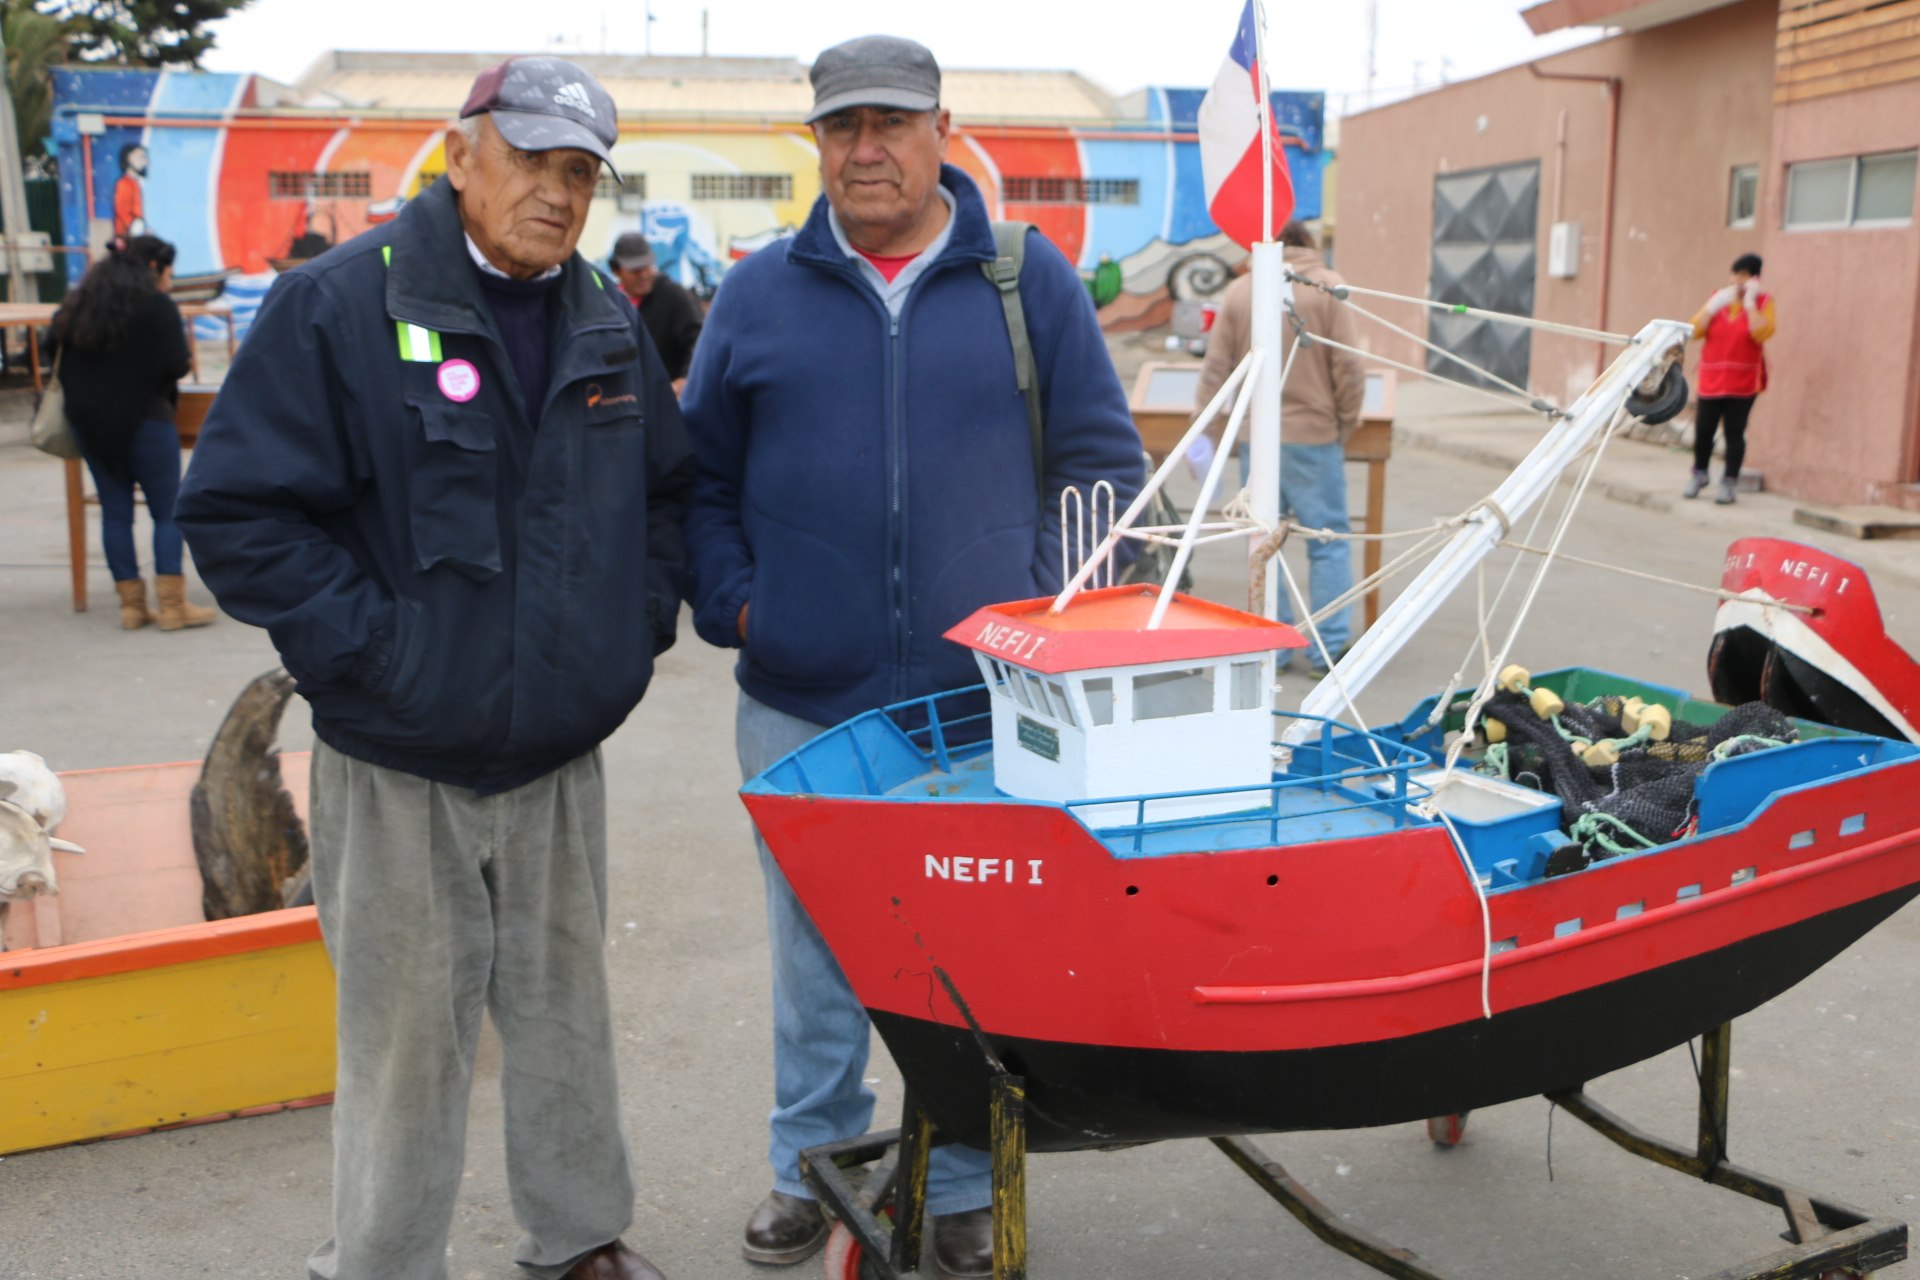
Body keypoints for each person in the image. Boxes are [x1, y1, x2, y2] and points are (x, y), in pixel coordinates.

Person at [176, 56, 692, 1280]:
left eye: (579, 173)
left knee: (566, 1013)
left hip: (557, 756)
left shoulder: (605, 318)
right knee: (407, 1039)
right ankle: (383, 1260)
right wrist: (376, 657)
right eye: (531, 161)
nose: (558, 195)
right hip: (400, 755)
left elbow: (667, 493)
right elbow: (240, 512)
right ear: (459, 156)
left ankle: (577, 1240)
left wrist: (630, 634)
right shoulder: (342, 304)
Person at [681, 34, 1143, 1280]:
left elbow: (1100, 459)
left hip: (980, 709)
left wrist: (1045, 618)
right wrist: (739, 605)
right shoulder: (758, 292)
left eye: (890, 122)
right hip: (801, 699)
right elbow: (699, 479)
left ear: (944, 127)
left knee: (968, 963)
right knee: (815, 959)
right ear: (817, 143)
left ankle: (946, 1180)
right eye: (842, 127)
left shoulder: (1024, 279)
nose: (866, 148)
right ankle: (807, 1169)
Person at [1194, 219, 1364, 673]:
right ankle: (1328, 645)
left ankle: (1276, 642)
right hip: (1315, 433)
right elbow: (1348, 366)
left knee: (1264, 538)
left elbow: (1216, 370)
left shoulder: (1241, 291)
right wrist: (1344, 422)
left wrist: (1206, 432)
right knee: (1327, 539)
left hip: (1257, 436)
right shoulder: (1328, 287)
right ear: (1309, 244)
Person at [52, 233, 215, 630]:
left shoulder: (79, 304)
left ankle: (131, 607)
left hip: (90, 424)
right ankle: (173, 607)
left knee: (115, 512)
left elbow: (51, 346)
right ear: (155, 267)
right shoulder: (156, 306)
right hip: (146, 420)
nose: (170, 281)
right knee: (166, 512)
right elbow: (177, 365)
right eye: (170, 272)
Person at [1687, 251, 1775, 505]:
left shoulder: (1764, 303)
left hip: (1744, 380)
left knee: (1734, 433)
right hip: (1711, 377)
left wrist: (1749, 304)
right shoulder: (1717, 300)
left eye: (1745, 276)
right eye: (1735, 274)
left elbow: (1761, 333)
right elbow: (1694, 331)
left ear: (1755, 279)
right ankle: (1699, 474)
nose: (1738, 280)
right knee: (1704, 430)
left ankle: (1729, 482)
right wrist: (1710, 308)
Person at [610, 231, 702, 389]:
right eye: (635, 270)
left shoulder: (675, 296)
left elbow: (699, 340)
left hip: (668, 397)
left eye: (647, 266)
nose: (643, 275)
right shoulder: (610, 301)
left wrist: (686, 378)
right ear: (617, 270)